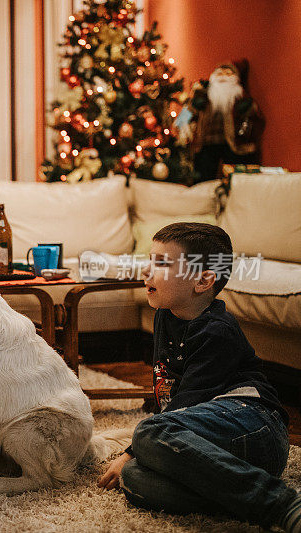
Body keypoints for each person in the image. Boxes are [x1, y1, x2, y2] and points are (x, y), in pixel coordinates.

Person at [97, 223, 300, 532]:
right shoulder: (165, 314)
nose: (147, 270)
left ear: (203, 280)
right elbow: (168, 390)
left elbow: (187, 402)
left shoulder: (217, 330)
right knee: (136, 478)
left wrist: (131, 450)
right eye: (150, 259)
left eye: (162, 263)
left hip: (254, 427)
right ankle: (236, 493)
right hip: (215, 448)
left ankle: (281, 503)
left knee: (148, 434)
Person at [184, 60, 264, 180]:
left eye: (228, 73)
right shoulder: (205, 93)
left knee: (234, 176)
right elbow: (190, 111)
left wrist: (247, 107)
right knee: (205, 176)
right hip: (207, 142)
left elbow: (253, 113)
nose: (223, 77)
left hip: (233, 143)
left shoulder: (239, 95)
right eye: (220, 73)